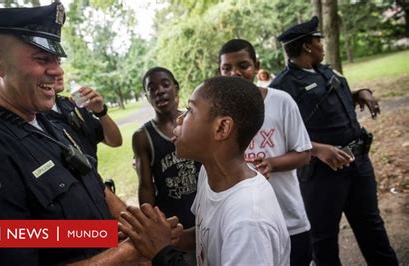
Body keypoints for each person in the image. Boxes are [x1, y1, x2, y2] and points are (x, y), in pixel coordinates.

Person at [0, 3, 181, 265]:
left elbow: (93, 190)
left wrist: (141, 230)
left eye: (57, 59)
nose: (57, 71)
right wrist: (133, 250)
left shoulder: (48, 123)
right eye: (42, 59)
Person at [270, 16, 398, 265]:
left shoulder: (325, 71)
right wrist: (317, 150)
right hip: (323, 174)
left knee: (372, 228)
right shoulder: (282, 86)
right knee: (324, 240)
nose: (322, 45)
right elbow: (280, 132)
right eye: (319, 40)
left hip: (358, 163)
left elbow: (329, 102)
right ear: (307, 46)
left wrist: (360, 93)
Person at [122, 76, 290, 265]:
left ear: (222, 128)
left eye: (189, 110)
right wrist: (178, 238)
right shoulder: (208, 174)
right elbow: (207, 233)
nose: (179, 118)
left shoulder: (248, 220)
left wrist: (163, 253)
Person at [218, 38, 312, 266]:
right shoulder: (217, 113)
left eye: (243, 65)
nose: (235, 73)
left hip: (289, 219)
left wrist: (271, 164)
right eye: (226, 68)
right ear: (219, 71)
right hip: (243, 224)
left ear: (256, 65)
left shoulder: (281, 102)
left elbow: (304, 153)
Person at [132, 67, 201, 263]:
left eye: (165, 84)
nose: (159, 91)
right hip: (174, 225)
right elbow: (146, 186)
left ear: (176, 88)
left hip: (206, 217)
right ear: (147, 96)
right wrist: (151, 227)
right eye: (152, 88)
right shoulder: (142, 136)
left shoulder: (194, 120)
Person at [45, 73, 122, 169]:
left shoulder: (73, 104)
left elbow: (115, 142)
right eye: (45, 61)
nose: (59, 71)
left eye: (58, 62)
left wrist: (101, 112)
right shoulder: (33, 118)